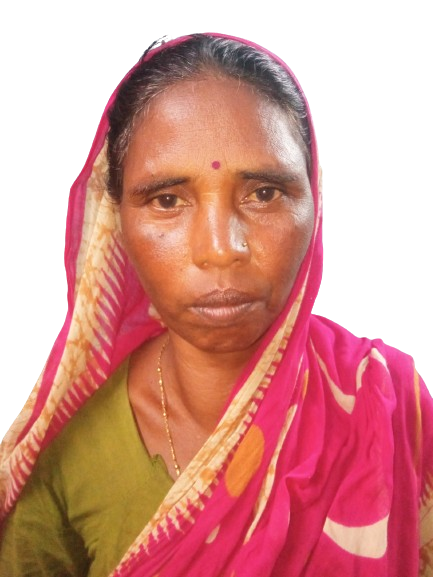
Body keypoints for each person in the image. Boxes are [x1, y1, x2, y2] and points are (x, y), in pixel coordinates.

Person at [0, 32, 431, 577]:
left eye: (264, 193)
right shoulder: (66, 455)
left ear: (315, 200)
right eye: (167, 200)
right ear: (118, 222)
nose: (221, 248)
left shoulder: (389, 402)